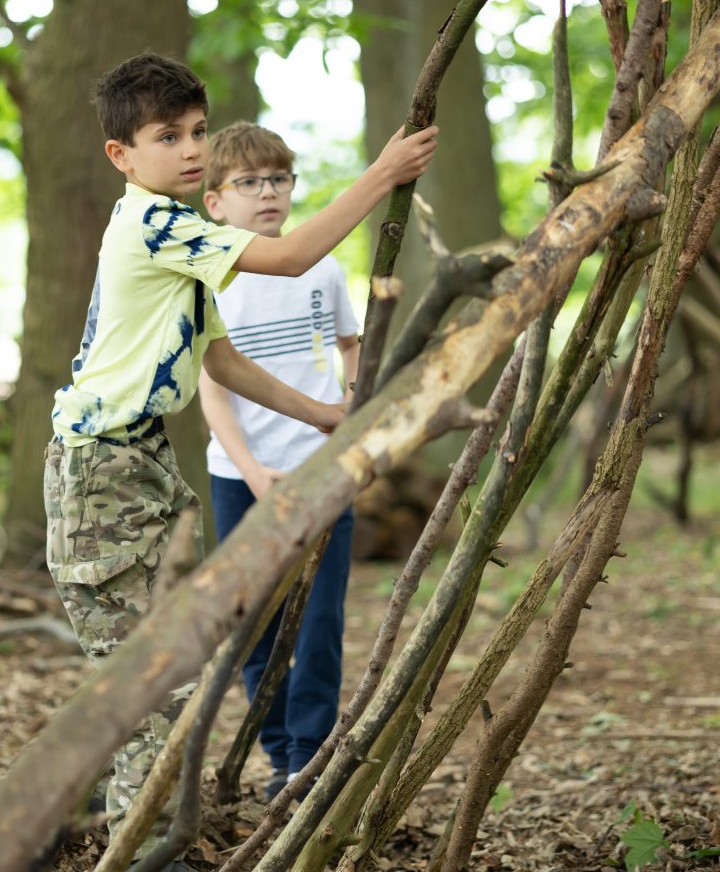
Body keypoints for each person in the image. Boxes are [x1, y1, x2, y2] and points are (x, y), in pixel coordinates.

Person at [44, 52, 436, 866]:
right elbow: (291, 258)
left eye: (195, 131)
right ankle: (141, 855)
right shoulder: (156, 224)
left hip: (136, 467)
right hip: (100, 473)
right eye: (166, 136)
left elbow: (222, 363)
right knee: (147, 691)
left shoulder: (178, 240)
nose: (190, 149)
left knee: (155, 681)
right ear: (122, 155)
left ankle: (143, 842)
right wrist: (382, 173)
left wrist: (328, 412)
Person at [198, 122, 358, 803]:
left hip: (323, 468)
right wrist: (253, 470)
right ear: (214, 202)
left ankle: (309, 759)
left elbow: (350, 344)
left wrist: (351, 406)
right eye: (249, 183)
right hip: (242, 477)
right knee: (258, 624)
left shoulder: (321, 267)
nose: (267, 193)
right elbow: (211, 387)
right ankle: (276, 752)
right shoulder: (213, 276)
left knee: (320, 620)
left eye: (278, 179)